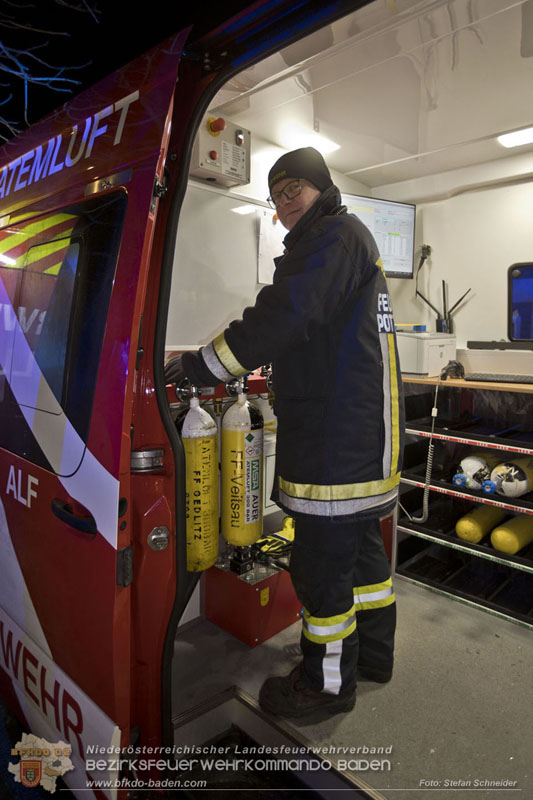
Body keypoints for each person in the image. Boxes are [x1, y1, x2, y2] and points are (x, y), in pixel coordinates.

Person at [165, 147, 404, 718]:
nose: (284, 203)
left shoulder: (335, 237)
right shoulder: (350, 242)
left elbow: (285, 314)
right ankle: (372, 656)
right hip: (362, 448)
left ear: (321, 189)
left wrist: (201, 366)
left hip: (333, 448)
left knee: (321, 573)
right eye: (275, 196)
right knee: (364, 561)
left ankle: (324, 688)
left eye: (293, 188)